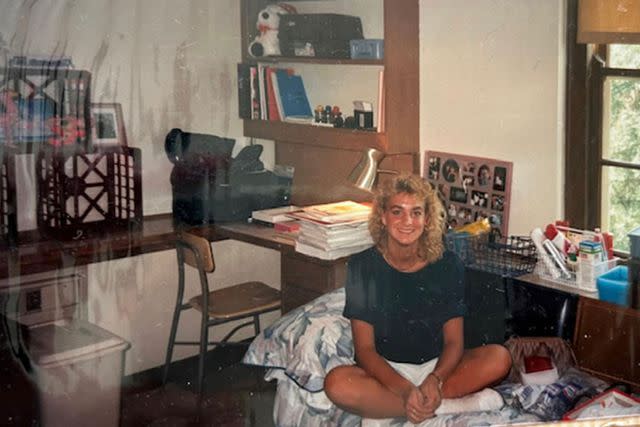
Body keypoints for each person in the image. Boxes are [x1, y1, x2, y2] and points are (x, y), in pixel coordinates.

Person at [324, 173, 511, 424]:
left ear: (427, 219)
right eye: (397, 211)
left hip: (438, 369)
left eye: (416, 212)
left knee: (499, 357)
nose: (407, 222)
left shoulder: (447, 264)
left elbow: (455, 342)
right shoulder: (362, 266)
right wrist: (405, 390)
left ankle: (393, 409)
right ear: (383, 216)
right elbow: (365, 350)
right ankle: (442, 406)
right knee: (336, 384)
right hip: (387, 372)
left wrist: (435, 380)